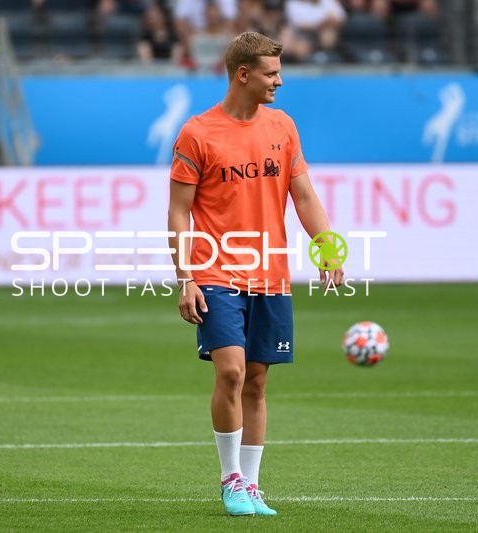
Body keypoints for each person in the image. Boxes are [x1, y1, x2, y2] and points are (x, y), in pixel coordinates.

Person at [167, 31, 343, 516]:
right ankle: (230, 480)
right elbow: (178, 213)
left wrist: (326, 246)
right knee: (231, 371)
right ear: (243, 74)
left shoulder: (283, 127)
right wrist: (185, 277)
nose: (279, 82)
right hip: (215, 270)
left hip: (271, 273)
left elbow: (302, 195)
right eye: (271, 74)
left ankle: (253, 486)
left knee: (258, 380)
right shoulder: (197, 133)